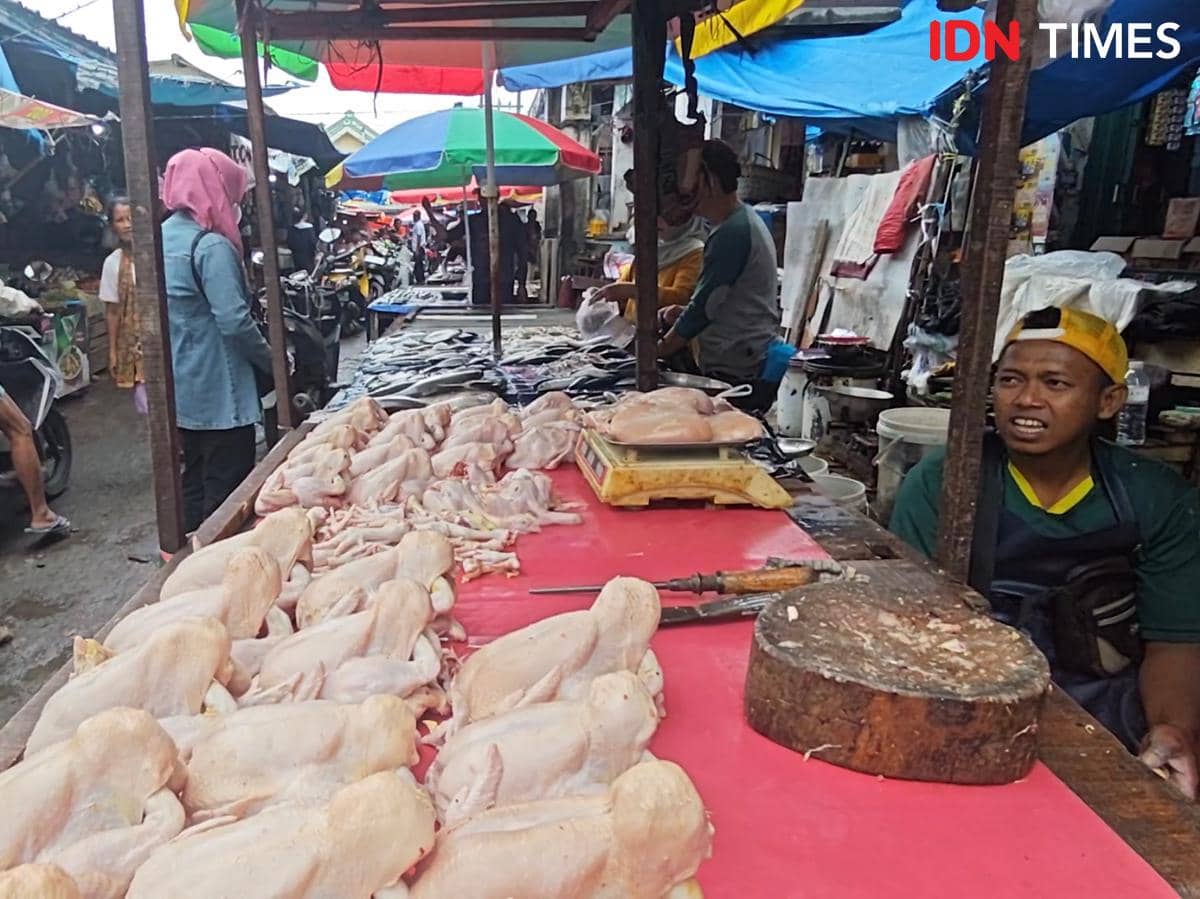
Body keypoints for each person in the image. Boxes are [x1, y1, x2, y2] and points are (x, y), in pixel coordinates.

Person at [890, 307, 1200, 798]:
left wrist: (1172, 729)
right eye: (1011, 379)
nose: (1027, 399)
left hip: (1106, 713)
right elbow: (908, 622)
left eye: (1055, 384)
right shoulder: (945, 481)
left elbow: (1175, 640)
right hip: (970, 702)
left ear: (1108, 400)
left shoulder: (1154, 497)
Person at [160, 147, 274, 534]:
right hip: (221, 387)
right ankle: (214, 566)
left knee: (192, 476)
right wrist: (273, 362)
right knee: (227, 488)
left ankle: (179, 567)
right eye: (232, 194)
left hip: (180, 381)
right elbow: (235, 323)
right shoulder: (210, 247)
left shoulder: (158, 240)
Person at [656, 140, 782, 410]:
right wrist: (683, 313)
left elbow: (706, 306)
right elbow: (720, 298)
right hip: (743, 348)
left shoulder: (732, 232)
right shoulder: (739, 221)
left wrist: (662, 348)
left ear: (709, 180)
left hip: (737, 360)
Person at [593, 216, 704, 325]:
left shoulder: (695, 252)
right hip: (631, 331)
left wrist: (634, 291)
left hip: (664, 334)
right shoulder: (649, 246)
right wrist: (606, 297)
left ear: (688, 220)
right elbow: (627, 284)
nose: (658, 221)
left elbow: (682, 298)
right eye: (656, 214)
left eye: (667, 216)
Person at [422, 194, 517, 308]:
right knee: (480, 316)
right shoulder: (473, 221)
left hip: (504, 280)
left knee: (506, 316)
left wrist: (521, 284)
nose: (481, 200)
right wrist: (429, 212)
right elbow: (445, 235)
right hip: (480, 280)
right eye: (480, 197)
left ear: (495, 196)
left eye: (484, 197)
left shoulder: (511, 220)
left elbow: (522, 249)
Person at [98, 197, 144, 404]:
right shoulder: (112, 263)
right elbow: (113, 311)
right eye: (120, 220)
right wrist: (113, 351)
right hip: (135, 345)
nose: (127, 225)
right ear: (112, 226)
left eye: (131, 218)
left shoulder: (162, 251)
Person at [287, 207, 317, 273]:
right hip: (308, 256)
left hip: (296, 256)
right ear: (304, 216)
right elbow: (313, 242)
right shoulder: (309, 227)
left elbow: (289, 243)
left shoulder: (291, 229)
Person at [409, 209, 427, 285]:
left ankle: (420, 279)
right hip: (418, 248)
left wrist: (417, 249)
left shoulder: (419, 225)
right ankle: (419, 279)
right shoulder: (417, 224)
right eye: (413, 215)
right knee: (418, 264)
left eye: (415, 216)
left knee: (419, 265)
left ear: (418, 216)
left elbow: (419, 237)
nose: (414, 217)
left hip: (419, 248)